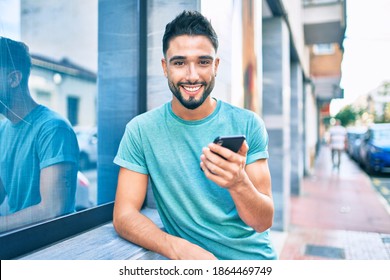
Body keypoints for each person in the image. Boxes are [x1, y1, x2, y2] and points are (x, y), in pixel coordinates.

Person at [113, 10, 277, 260]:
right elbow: (124, 215)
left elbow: (263, 221)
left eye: (203, 62)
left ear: (216, 65)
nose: (192, 75)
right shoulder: (141, 130)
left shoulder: (248, 124)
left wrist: (238, 182)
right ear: (165, 67)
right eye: (179, 63)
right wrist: (178, 249)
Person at [0, 37, 79, 232]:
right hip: (20, 242)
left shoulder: (53, 128)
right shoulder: (3, 130)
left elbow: (52, 209)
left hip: (50, 247)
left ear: (13, 79)